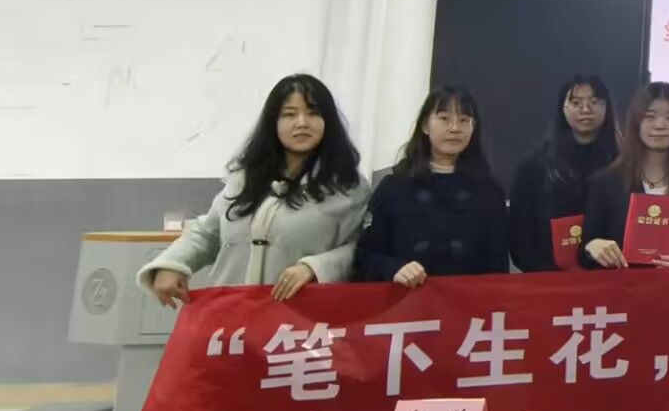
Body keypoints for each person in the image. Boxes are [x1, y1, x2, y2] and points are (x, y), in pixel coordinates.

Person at [140, 74, 369, 306]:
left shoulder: (348, 187)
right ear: (273, 122)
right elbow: (208, 233)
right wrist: (171, 264)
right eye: (289, 114)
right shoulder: (244, 180)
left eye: (313, 113)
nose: (301, 122)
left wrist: (315, 267)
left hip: (299, 320)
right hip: (230, 314)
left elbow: (361, 249)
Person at [354, 87, 509, 285]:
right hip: (405, 300)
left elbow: (498, 270)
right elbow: (365, 257)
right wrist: (394, 269)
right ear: (425, 126)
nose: (455, 128)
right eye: (444, 118)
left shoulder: (489, 191)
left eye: (464, 120)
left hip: (467, 302)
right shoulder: (393, 187)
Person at [579, 82, 669, 269]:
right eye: (649, 117)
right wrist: (592, 248)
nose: (659, 125)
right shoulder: (605, 183)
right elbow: (584, 253)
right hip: (619, 285)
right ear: (636, 123)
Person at [508, 76, 618, 272]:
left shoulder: (624, 165)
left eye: (594, 102)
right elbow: (521, 239)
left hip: (611, 278)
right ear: (563, 108)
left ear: (606, 107)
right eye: (576, 102)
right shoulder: (533, 168)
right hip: (549, 280)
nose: (585, 109)